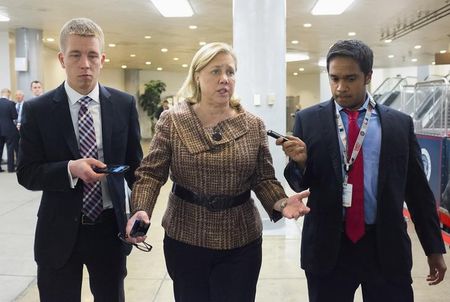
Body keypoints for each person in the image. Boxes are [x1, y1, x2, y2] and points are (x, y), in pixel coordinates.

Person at [126, 42, 310, 302]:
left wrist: (281, 202)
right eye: (215, 71)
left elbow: (263, 178)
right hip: (185, 235)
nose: (225, 79)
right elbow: (151, 173)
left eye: (230, 72)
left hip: (241, 239)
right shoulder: (173, 120)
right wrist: (141, 208)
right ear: (197, 76)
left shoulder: (253, 125)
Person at [279, 39, 447, 302]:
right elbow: (300, 183)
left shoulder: (398, 125)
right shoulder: (308, 120)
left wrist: (433, 248)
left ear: (368, 76)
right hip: (329, 248)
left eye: (350, 78)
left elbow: (417, 190)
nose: (340, 87)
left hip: (384, 246)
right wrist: (301, 162)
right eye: (334, 78)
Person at [16, 17, 143, 302]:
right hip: (58, 231)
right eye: (75, 55)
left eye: (92, 55)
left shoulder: (123, 105)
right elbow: (27, 172)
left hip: (110, 229)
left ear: (103, 59)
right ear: (62, 58)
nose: (85, 63)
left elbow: (137, 169)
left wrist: (140, 210)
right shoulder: (39, 110)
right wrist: (70, 169)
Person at [0, 88, 17, 172]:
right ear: (8, 94)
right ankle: (10, 168)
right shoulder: (11, 103)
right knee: (10, 148)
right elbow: (15, 116)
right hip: (9, 129)